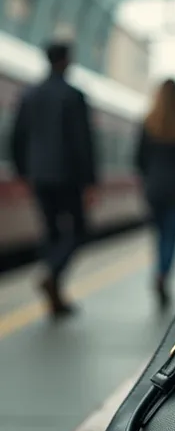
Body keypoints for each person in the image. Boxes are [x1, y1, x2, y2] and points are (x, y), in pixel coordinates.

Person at [10, 41, 96, 317]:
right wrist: (90, 180)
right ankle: (53, 275)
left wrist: (23, 171)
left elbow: (17, 137)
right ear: (66, 61)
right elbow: (83, 141)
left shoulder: (30, 94)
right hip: (69, 176)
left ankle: (55, 296)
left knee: (51, 233)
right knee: (79, 230)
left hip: (40, 175)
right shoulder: (73, 95)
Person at [135, 79, 175, 305]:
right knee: (172, 237)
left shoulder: (148, 123)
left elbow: (138, 159)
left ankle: (158, 271)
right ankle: (164, 274)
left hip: (155, 189)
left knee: (158, 236)